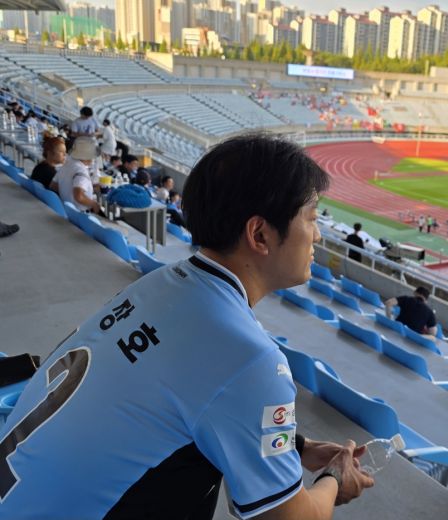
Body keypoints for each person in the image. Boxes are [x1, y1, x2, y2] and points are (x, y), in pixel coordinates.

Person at [0, 134, 374, 518]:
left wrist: (293, 445)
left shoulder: (160, 284)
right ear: (260, 234)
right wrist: (334, 478)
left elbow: (177, 400)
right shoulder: (248, 357)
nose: (317, 235)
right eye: (311, 219)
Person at [52, 138, 103, 214]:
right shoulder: (81, 171)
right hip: (79, 214)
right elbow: (79, 196)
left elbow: (53, 186)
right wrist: (94, 204)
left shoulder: (67, 165)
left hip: (66, 210)